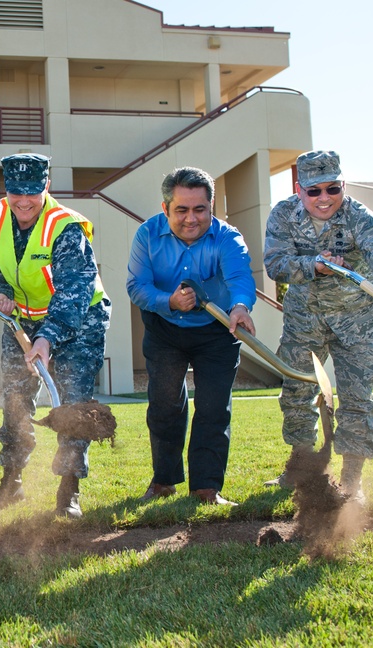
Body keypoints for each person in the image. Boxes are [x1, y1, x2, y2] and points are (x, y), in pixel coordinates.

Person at [263, 150, 373, 502]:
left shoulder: (360, 216)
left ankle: (352, 481)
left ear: (342, 185)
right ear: (300, 190)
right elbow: (275, 264)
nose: (324, 198)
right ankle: (299, 468)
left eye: (333, 188)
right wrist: (314, 265)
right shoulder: (283, 215)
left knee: (358, 398)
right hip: (305, 319)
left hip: (356, 320)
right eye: (314, 191)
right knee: (297, 393)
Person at [0, 153, 110, 519]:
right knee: (16, 398)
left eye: (32, 193)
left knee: (74, 404)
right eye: (15, 192)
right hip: (22, 320)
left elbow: (73, 293)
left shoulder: (66, 226)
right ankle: (11, 484)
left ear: (46, 187)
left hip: (78, 320)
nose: (22, 202)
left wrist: (47, 339)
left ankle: (69, 490)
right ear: (6, 189)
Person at [126, 166, 256, 507]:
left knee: (213, 407)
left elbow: (240, 277)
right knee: (165, 404)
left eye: (200, 209)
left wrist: (241, 307)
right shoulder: (147, 235)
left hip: (218, 330)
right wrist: (168, 301)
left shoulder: (228, 238)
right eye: (181, 210)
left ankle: (206, 488)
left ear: (212, 207)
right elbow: (136, 287)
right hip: (164, 327)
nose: (191, 219)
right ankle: (164, 481)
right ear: (165, 207)